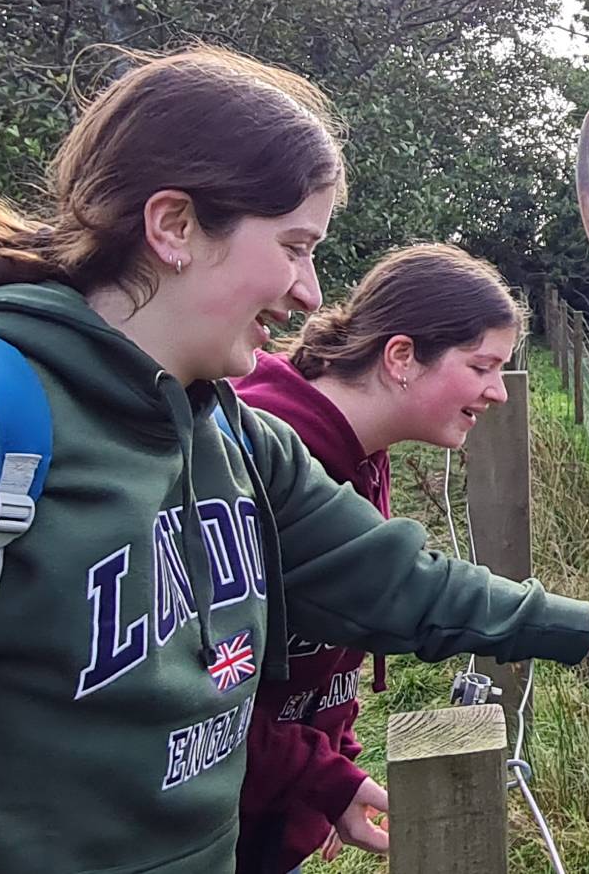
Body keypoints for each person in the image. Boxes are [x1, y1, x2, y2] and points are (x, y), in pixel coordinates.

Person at [0, 45, 589, 874]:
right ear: (173, 228)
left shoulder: (236, 437)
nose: (309, 291)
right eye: (293, 246)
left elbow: (405, 584)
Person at [229, 242, 522, 873]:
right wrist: (318, 779)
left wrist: (328, 766)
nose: (498, 392)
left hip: (264, 812)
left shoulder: (360, 447)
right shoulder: (261, 458)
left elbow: (321, 647)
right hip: (200, 828)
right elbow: (202, 704)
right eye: (482, 366)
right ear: (401, 357)